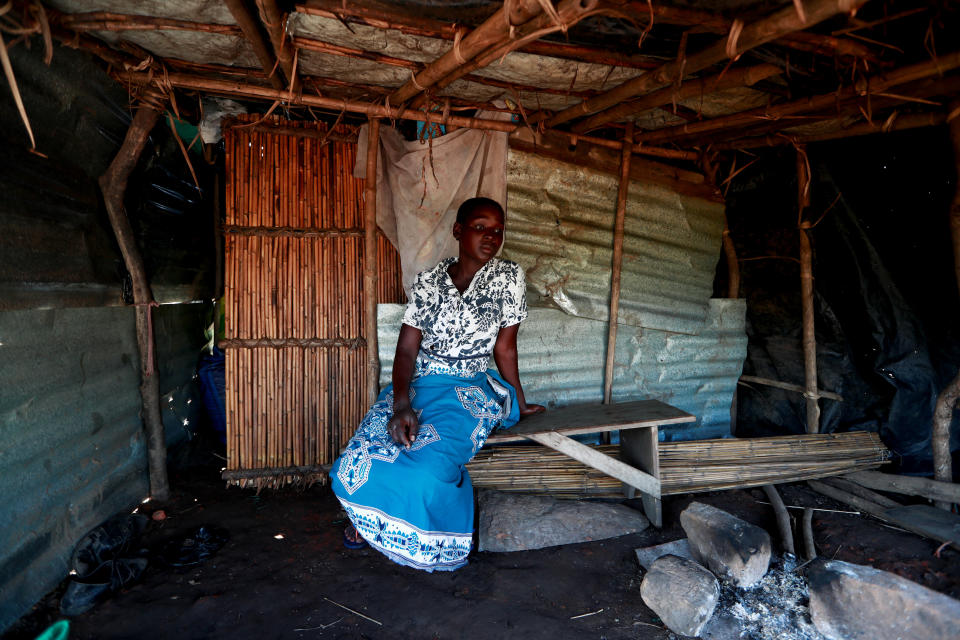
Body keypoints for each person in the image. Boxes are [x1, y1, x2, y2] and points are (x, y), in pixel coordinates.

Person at [329, 196, 545, 571]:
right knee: (360, 458)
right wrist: (400, 404)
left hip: (469, 389)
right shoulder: (429, 281)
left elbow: (505, 349)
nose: (491, 237)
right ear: (459, 231)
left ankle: (422, 535)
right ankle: (370, 520)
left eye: (498, 230)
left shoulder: (509, 279)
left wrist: (518, 401)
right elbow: (407, 352)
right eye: (480, 227)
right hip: (419, 384)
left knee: (429, 468)